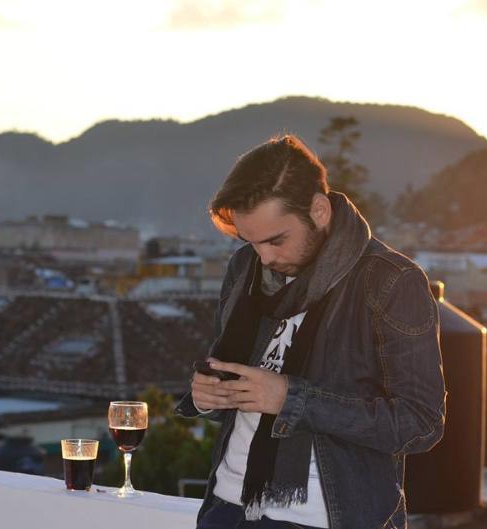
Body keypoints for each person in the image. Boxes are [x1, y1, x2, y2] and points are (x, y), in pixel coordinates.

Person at [175, 135, 447, 529]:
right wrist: (209, 396)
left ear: (319, 211)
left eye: (276, 240)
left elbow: (420, 423)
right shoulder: (245, 268)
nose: (264, 257)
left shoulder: (389, 281)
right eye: (250, 242)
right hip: (227, 507)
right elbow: (241, 388)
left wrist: (292, 398)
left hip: (325, 518)